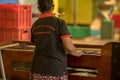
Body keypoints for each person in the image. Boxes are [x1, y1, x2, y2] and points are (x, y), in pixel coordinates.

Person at [29, 0, 83, 80]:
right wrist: (76, 52)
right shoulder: (60, 23)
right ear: (53, 7)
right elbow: (69, 48)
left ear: (38, 8)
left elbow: (34, 42)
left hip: (37, 69)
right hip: (55, 70)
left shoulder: (35, 25)